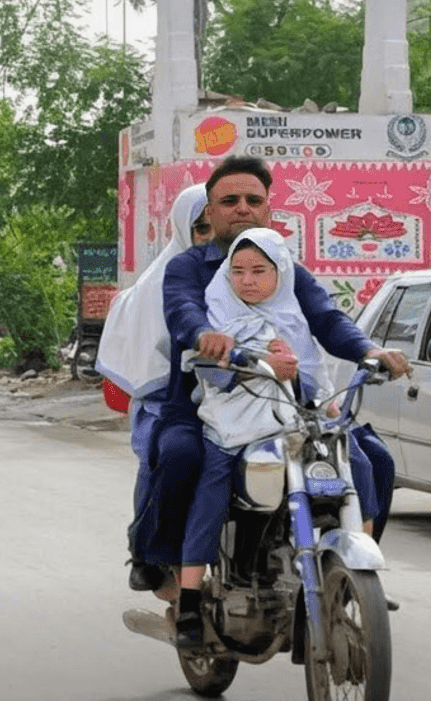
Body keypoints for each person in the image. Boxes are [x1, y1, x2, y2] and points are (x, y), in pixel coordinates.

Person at [147, 155, 408, 643]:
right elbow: (182, 312)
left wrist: (370, 350)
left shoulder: (288, 268)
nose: (242, 208)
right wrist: (206, 335)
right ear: (211, 208)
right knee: (187, 459)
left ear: (269, 209)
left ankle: (351, 574)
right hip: (208, 401)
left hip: (296, 405)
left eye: (253, 200)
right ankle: (165, 568)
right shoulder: (190, 266)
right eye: (230, 200)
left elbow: (328, 320)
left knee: (375, 458)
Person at [173, 228, 382, 646]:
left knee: (359, 462)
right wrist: (254, 362)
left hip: (299, 420)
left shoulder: (294, 313)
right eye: (238, 271)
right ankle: (190, 601)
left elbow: (314, 365)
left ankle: (356, 577)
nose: (247, 280)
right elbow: (207, 365)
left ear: (280, 272)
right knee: (212, 490)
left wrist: (337, 388)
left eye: (259, 271)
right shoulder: (216, 310)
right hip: (235, 423)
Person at [94, 183, 211, 595]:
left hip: (239, 397)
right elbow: (150, 346)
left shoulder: (249, 270)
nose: (211, 238)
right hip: (167, 395)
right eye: (201, 228)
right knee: (165, 456)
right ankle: (145, 549)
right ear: (183, 228)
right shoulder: (162, 280)